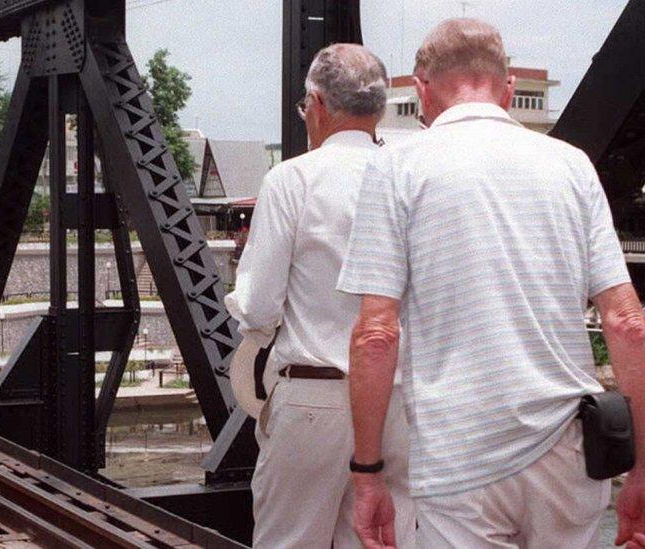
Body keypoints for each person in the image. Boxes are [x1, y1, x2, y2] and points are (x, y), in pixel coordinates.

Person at [337, 18, 645, 548]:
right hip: (567, 451)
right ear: (507, 90)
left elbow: (376, 336)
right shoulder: (571, 166)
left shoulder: (398, 168)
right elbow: (627, 322)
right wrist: (642, 465)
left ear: (421, 89)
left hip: (460, 456)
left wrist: (368, 473)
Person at [224, 44, 415, 548]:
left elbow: (260, 305)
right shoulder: (409, 179)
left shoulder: (293, 179)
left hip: (316, 395)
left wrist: (241, 307)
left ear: (318, 103)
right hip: (398, 399)